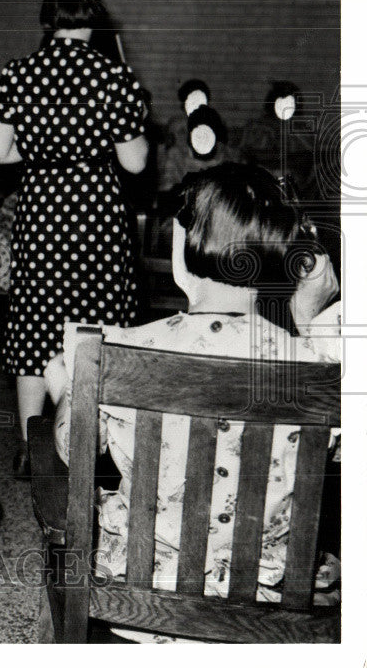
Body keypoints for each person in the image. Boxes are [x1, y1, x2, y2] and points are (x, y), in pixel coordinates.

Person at [48, 163, 340, 641]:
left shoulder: (122, 350)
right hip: (264, 605)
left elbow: (68, 447)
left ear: (183, 246)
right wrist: (310, 322)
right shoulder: (314, 365)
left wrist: (67, 391)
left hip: (137, 596)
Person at [0, 0, 149, 474]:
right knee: (97, 323)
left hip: (41, 211)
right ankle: (96, 448)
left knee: (35, 323)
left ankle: (32, 449)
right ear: (93, 18)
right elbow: (136, 163)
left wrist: (43, 156)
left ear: (47, 16)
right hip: (95, 213)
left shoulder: (20, 72)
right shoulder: (113, 77)